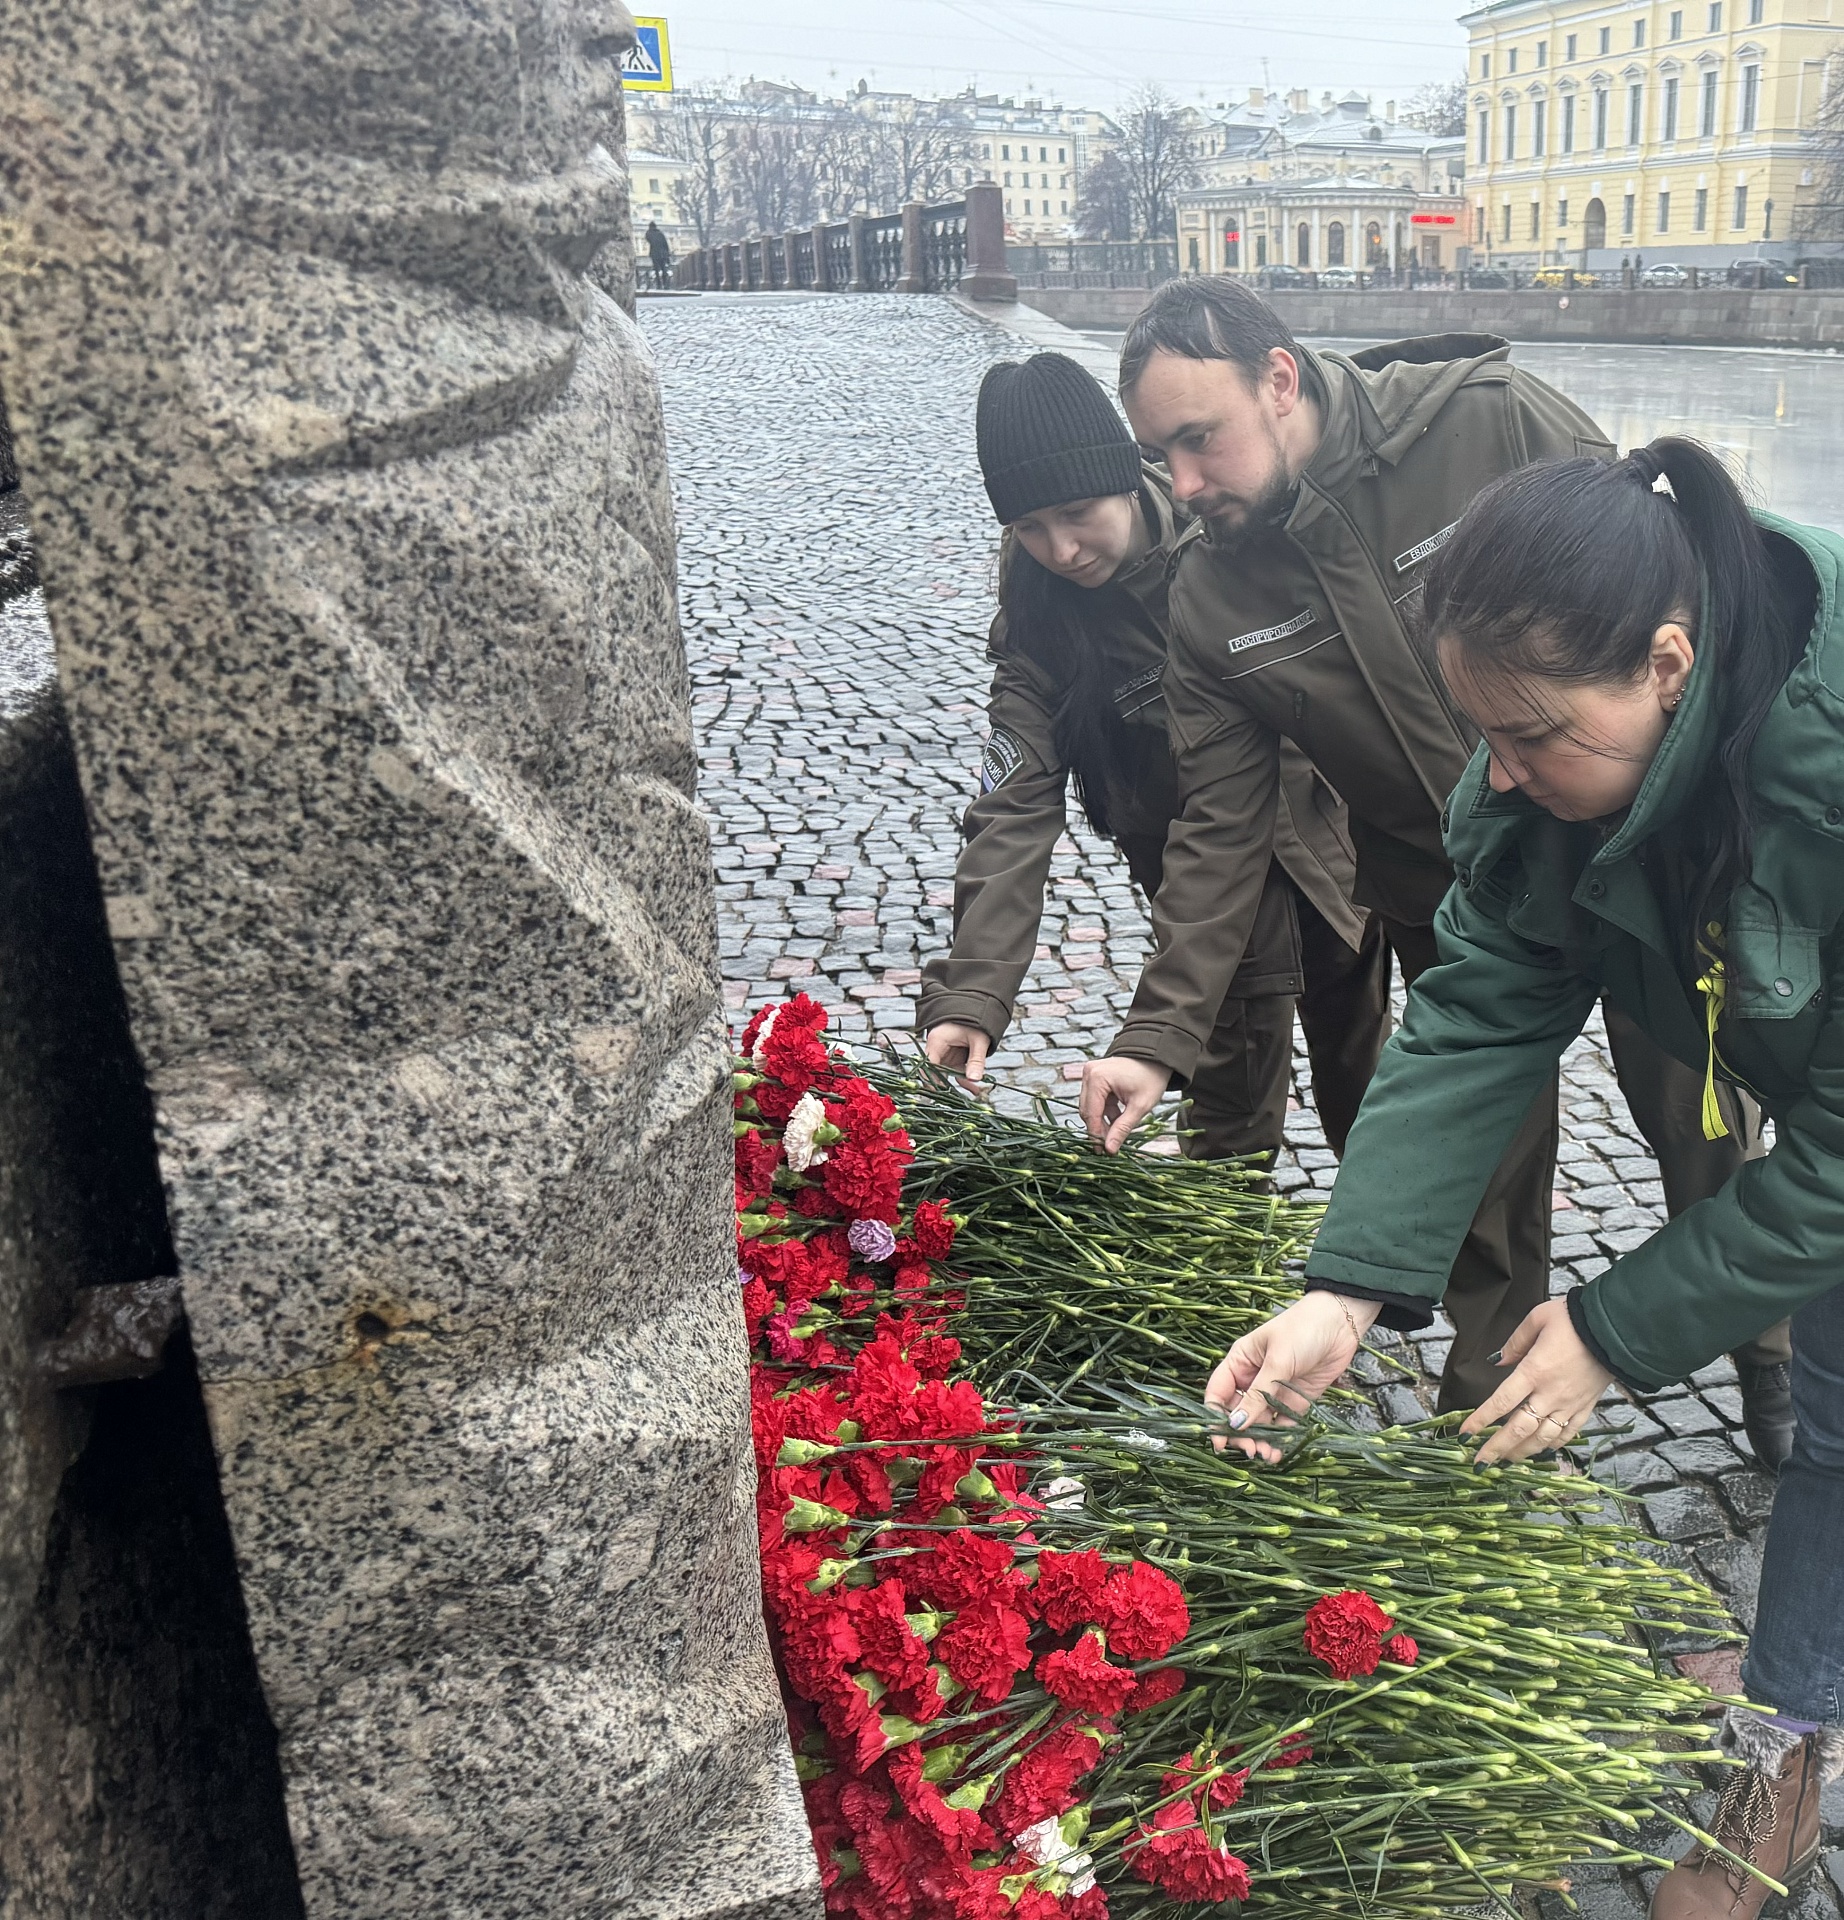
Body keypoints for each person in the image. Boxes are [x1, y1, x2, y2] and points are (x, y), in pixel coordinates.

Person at [1205, 436, 1842, 1917]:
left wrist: (1620, 1331)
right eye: (1483, 733)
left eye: (1536, 735)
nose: (1503, 769)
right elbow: (1487, 999)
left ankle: (1789, 1748)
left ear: (1668, 664)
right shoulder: (1547, 765)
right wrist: (1347, 1289)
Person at [1074, 276, 1791, 1452]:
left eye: (1196, 441)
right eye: (1159, 455)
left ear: (1279, 378)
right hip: (1456, 900)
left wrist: (1725, 847)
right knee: (1480, 1183)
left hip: (1659, 864)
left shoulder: (1488, 422)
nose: (1183, 485)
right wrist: (1159, 1038)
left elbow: (1650, 585)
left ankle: (1775, 1366)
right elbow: (1218, 833)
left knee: (1702, 1118)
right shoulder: (1208, 600)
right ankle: (1487, 1424)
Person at [919, 352, 1390, 1164]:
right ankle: (1232, 1286)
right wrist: (973, 989)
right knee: (1228, 1141)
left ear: (1124, 481)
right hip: (1201, 910)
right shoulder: (1039, 631)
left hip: (1330, 865)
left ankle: (1391, 1290)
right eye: (1030, 528)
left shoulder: (1230, 529)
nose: (1061, 550)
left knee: (1376, 1107)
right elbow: (1012, 807)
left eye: (1076, 512)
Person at [645, 219, 672, 289]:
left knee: (656, 269)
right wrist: (668, 253)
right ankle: (665, 284)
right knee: (663, 269)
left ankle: (659, 284)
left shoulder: (649, 233)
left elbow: (647, 238)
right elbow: (665, 244)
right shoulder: (660, 233)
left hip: (654, 254)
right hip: (663, 254)